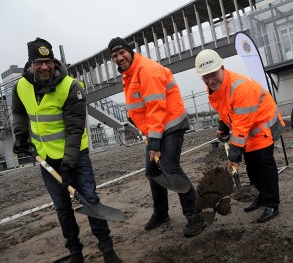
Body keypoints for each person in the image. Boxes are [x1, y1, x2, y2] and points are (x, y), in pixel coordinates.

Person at [11, 37, 122, 263]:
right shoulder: (21, 86)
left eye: (48, 61)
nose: (44, 67)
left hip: (75, 157)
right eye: (39, 62)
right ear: (31, 63)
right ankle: (75, 253)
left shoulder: (71, 87)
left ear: (54, 62)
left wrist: (69, 164)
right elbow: (19, 112)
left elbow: (74, 129)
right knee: (62, 208)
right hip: (45, 158)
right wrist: (21, 134)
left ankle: (107, 249)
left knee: (90, 200)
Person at [107, 37, 207, 237]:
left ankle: (196, 216)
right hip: (156, 128)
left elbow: (156, 107)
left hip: (170, 124)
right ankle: (161, 214)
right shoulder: (129, 74)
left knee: (170, 167)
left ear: (130, 51)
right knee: (153, 171)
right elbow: (142, 105)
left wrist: (154, 142)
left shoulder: (147, 70)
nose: (119, 58)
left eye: (122, 53)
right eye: (115, 56)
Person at [195, 49, 285, 223]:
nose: (210, 80)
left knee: (265, 167)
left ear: (222, 68)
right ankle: (261, 196)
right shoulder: (214, 89)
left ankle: (272, 203)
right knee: (252, 168)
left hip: (262, 126)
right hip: (246, 131)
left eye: (213, 74)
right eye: (205, 77)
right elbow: (225, 110)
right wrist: (222, 126)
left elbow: (242, 124)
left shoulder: (241, 87)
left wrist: (234, 155)